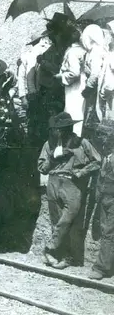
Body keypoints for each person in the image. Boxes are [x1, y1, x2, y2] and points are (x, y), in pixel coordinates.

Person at [38, 111, 101, 269]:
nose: (61, 132)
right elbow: (41, 168)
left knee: (68, 218)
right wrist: (53, 157)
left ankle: (49, 249)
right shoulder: (49, 145)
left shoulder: (81, 143)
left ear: (70, 128)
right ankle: (62, 257)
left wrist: (81, 172)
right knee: (57, 221)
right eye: (59, 129)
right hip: (53, 183)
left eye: (66, 128)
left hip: (72, 183)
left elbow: (97, 161)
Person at [17, 31, 52, 146]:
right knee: (38, 118)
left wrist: (23, 96)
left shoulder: (29, 54)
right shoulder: (31, 54)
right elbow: (25, 77)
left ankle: (36, 142)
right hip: (40, 91)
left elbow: (22, 78)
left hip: (37, 92)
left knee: (36, 118)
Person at [90, 119, 114, 280]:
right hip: (106, 199)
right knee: (107, 231)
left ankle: (102, 268)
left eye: (105, 135)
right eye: (100, 134)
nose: (101, 138)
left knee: (108, 233)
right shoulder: (106, 154)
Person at [57, 28, 87, 136]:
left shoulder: (72, 52)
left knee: (73, 113)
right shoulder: (83, 50)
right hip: (81, 85)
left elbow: (74, 73)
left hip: (74, 88)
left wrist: (60, 76)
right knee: (79, 112)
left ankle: (74, 139)